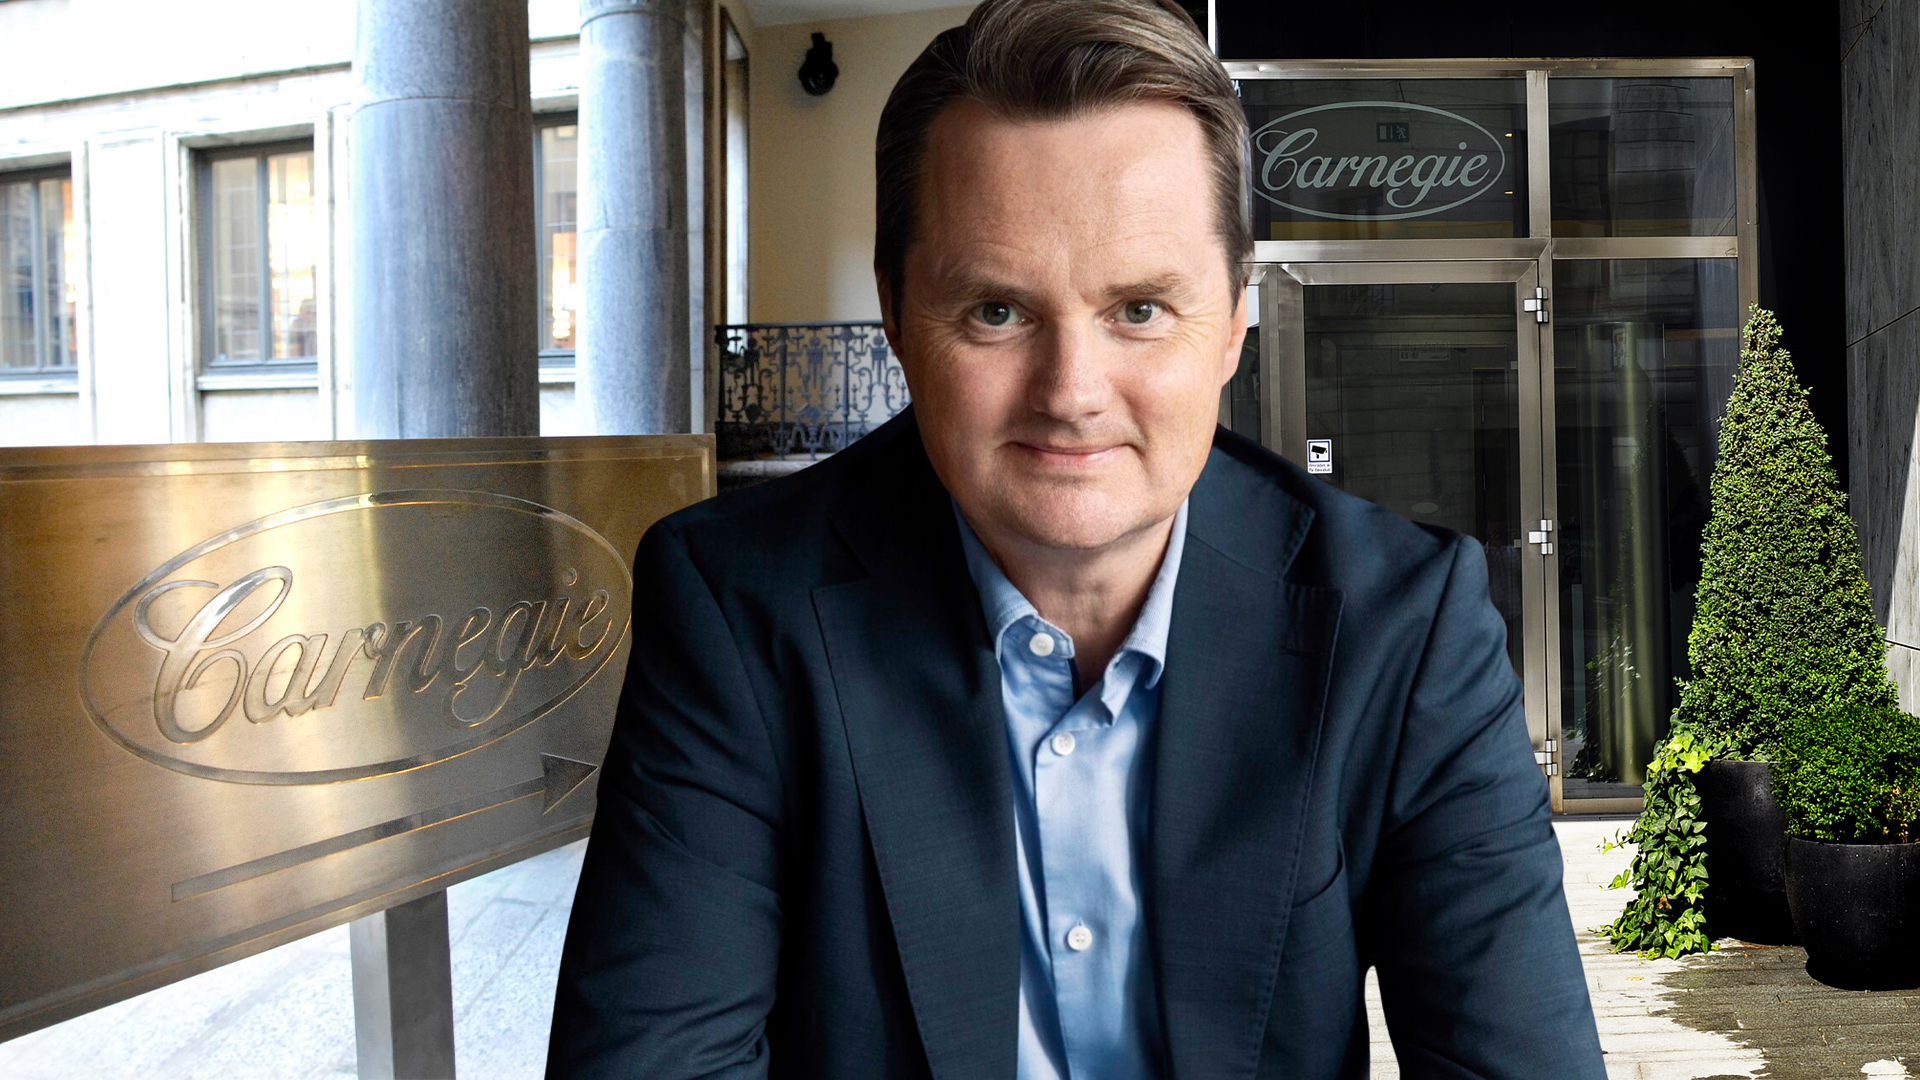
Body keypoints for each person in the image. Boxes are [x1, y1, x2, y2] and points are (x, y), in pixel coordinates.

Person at [547, 1, 1606, 1076]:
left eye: (1140, 309)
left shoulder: (1405, 625)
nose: (1072, 393)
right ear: (897, 317)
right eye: (997, 312)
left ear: (1234, 321)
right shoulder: (734, 607)